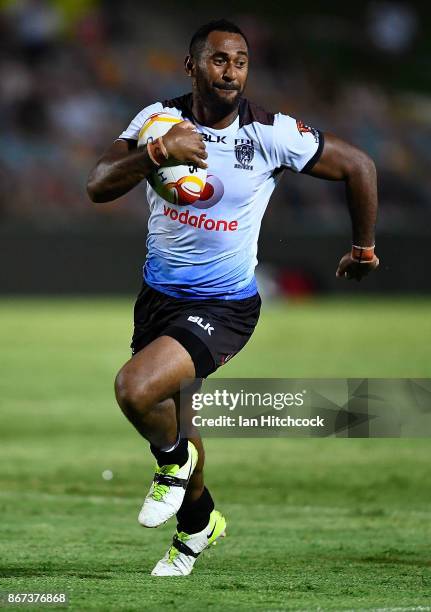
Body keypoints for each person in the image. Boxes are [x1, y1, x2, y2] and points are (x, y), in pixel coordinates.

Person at [87, 19, 379, 576]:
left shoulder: (270, 133)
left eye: (240, 61)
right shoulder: (158, 120)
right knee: (177, 418)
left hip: (226, 307)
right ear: (191, 65)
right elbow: (98, 184)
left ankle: (171, 466)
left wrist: (363, 247)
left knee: (135, 389)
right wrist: (154, 154)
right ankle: (198, 527)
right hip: (158, 300)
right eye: (219, 60)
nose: (231, 71)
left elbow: (359, 166)